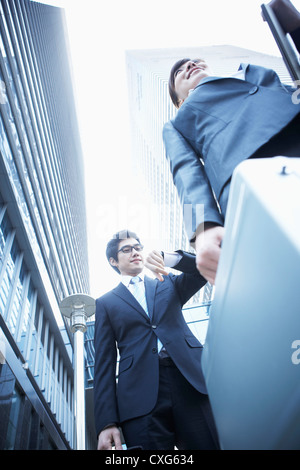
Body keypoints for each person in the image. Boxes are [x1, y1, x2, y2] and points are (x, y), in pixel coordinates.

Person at [163, 0, 300, 286]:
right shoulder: (178, 123)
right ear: (179, 100)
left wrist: (295, 27)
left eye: (196, 61)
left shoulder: (254, 73)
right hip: (262, 181)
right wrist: (204, 229)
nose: (190, 64)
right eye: (180, 72)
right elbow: (185, 174)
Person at [94, 230, 219, 450]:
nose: (134, 252)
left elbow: (202, 270)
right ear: (113, 261)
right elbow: (103, 365)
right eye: (126, 249)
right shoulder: (106, 303)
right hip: (140, 398)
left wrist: (168, 258)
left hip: (189, 382)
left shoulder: (167, 282)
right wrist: (107, 423)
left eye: (137, 247)